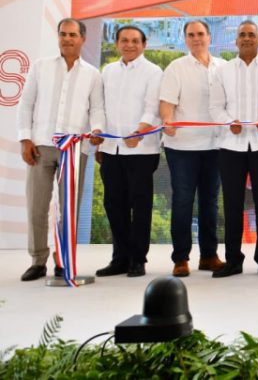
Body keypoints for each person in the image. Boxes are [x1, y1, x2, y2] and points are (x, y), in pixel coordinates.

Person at [17, 18, 105, 282]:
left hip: (74, 149)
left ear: (82, 39)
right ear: (58, 37)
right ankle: (37, 260)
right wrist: (25, 139)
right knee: (37, 205)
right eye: (63, 34)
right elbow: (26, 105)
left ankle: (63, 260)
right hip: (41, 146)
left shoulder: (93, 74)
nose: (67, 39)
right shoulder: (40, 67)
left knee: (70, 209)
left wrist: (98, 129)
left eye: (72, 35)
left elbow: (97, 108)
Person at [208, 20, 258, 278]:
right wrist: (230, 123)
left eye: (252, 35)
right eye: (242, 35)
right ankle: (233, 260)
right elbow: (215, 107)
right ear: (236, 41)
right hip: (231, 145)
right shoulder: (223, 71)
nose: (247, 38)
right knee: (231, 204)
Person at [160, 20, 225, 277]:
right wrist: (167, 120)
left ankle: (209, 256)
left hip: (216, 144)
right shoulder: (176, 67)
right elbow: (166, 104)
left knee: (210, 202)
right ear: (185, 39)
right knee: (183, 201)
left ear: (209, 37)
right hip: (182, 146)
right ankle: (180, 258)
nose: (196, 38)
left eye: (200, 34)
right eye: (191, 35)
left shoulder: (224, 67)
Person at [96, 25, 162, 278]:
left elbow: (153, 108)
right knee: (114, 204)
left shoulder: (153, 71)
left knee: (141, 205)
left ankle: (138, 259)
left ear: (144, 44)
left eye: (135, 40)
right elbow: (99, 107)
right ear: (117, 44)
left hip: (142, 150)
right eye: (124, 40)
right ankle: (119, 258)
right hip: (111, 149)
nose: (130, 45)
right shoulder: (108, 71)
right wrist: (99, 135)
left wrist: (140, 130)